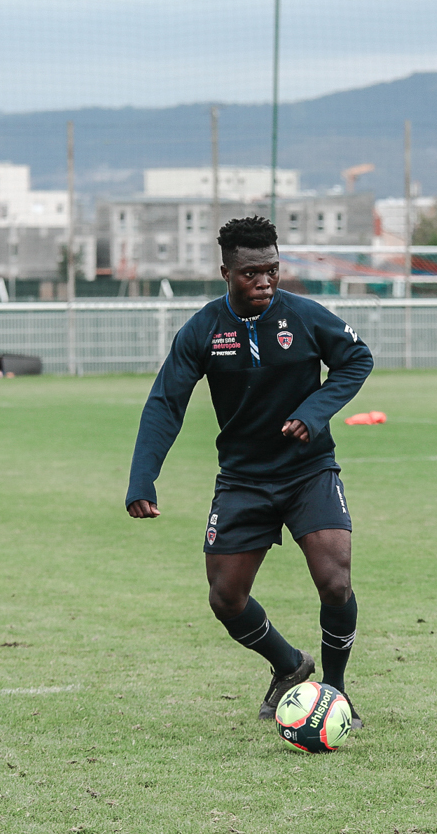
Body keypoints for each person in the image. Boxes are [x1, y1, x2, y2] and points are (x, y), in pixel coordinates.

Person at [126, 215, 373, 728]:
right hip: (242, 478)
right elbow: (165, 404)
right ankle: (289, 664)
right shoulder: (203, 330)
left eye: (273, 270)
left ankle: (336, 692)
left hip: (309, 471)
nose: (264, 282)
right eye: (251, 273)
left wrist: (314, 411)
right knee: (226, 598)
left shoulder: (305, 316)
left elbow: (356, 359)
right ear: (226, 273)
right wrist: (142, 477)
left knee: (336, 581)